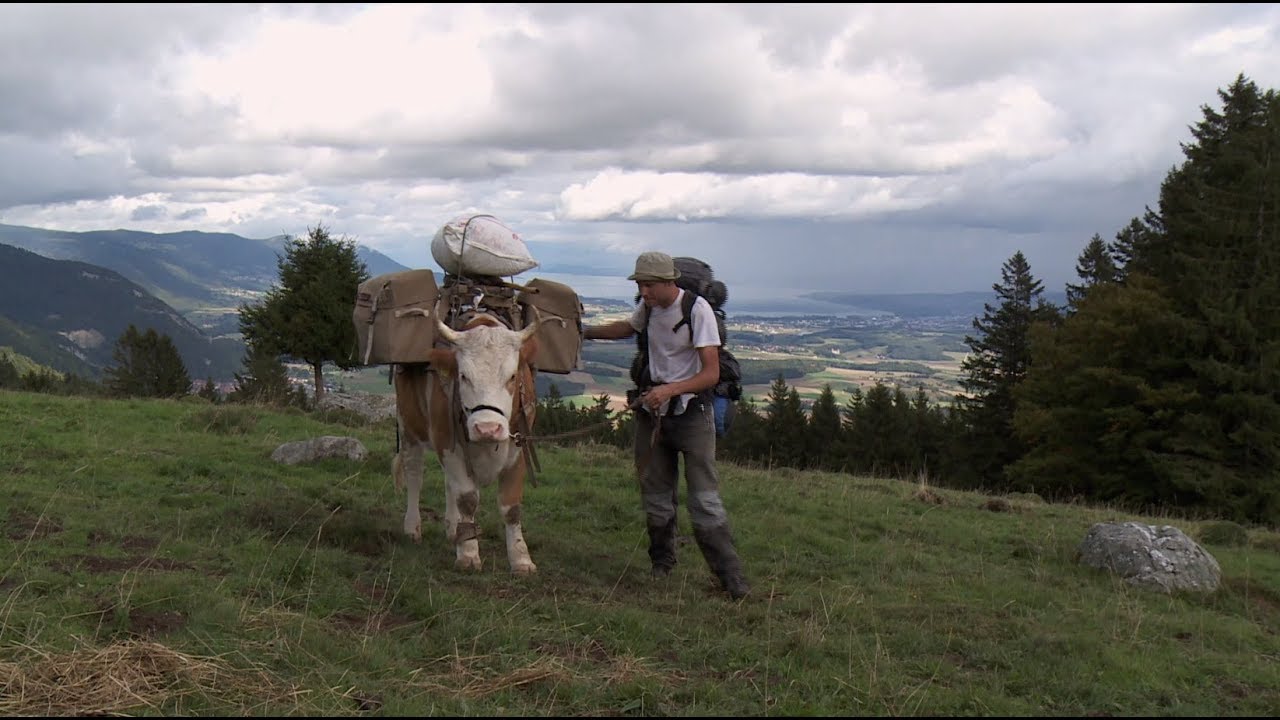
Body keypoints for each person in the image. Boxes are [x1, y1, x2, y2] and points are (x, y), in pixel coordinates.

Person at [583, 251, 750, 600]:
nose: (643, 292)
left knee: (704, 499)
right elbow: (628, 329)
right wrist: (586, 332)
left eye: (648, 285)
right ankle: (662, 563)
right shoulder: (650, 308)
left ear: (668, 282)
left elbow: (710, 373)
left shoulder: (696, 310)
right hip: (654, 411)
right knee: (656, 495)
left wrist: (669, 390)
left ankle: (730, 577)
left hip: (691, 413)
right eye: (640, 285)